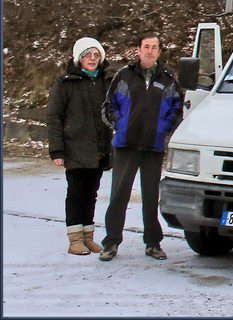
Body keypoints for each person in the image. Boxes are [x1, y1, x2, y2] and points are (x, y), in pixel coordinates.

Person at [99, 32, 183, 261]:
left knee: (150, 196)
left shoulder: (167, 77)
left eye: (154, 47)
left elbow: (177, 108)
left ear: (159, 51)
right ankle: (111, 242)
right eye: (146, 46)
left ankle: (153, 243)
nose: (150, 50)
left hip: (153, 146)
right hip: (126, 145)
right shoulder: (124, 75)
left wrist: (163, 129)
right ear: (138, 49)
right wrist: (120, 124)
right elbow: (109, 105)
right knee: (119, 195)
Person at [46, 37, 113, 255]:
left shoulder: (106, 80)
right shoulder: (65, 82)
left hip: (99, 148)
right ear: (79, 58)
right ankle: (75, 239)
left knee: (91, 193)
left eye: (95, 55)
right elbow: (54, 116)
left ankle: (88, 236)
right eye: (87, 55)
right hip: (75, 148)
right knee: (76, 193)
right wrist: (57, 150)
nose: (91, 59)